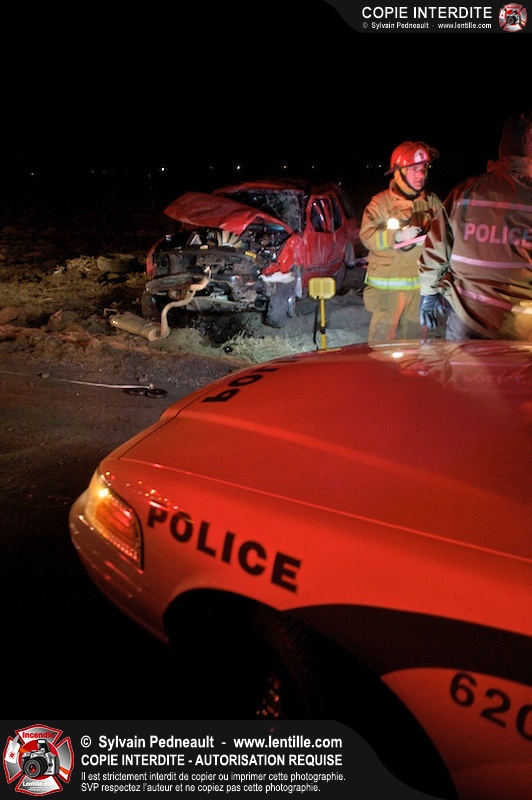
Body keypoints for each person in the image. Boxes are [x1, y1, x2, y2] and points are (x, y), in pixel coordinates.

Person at [419, 111, 532, 341]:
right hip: (523, 331)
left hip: (465, 325)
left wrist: (428, 293)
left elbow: (436, 249)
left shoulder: (465, 193)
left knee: (461, 366)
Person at [359, 141, 442, 342]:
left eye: (423, 169)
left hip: (419, 286)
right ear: (399, 173)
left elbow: (446, 236)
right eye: (414, 169)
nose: (420, 175)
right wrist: (396, 237)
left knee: (415, 338)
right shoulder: (380, 203)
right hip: (388, 288)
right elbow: (367, 236)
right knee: (381, 342)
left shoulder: (432, 203)